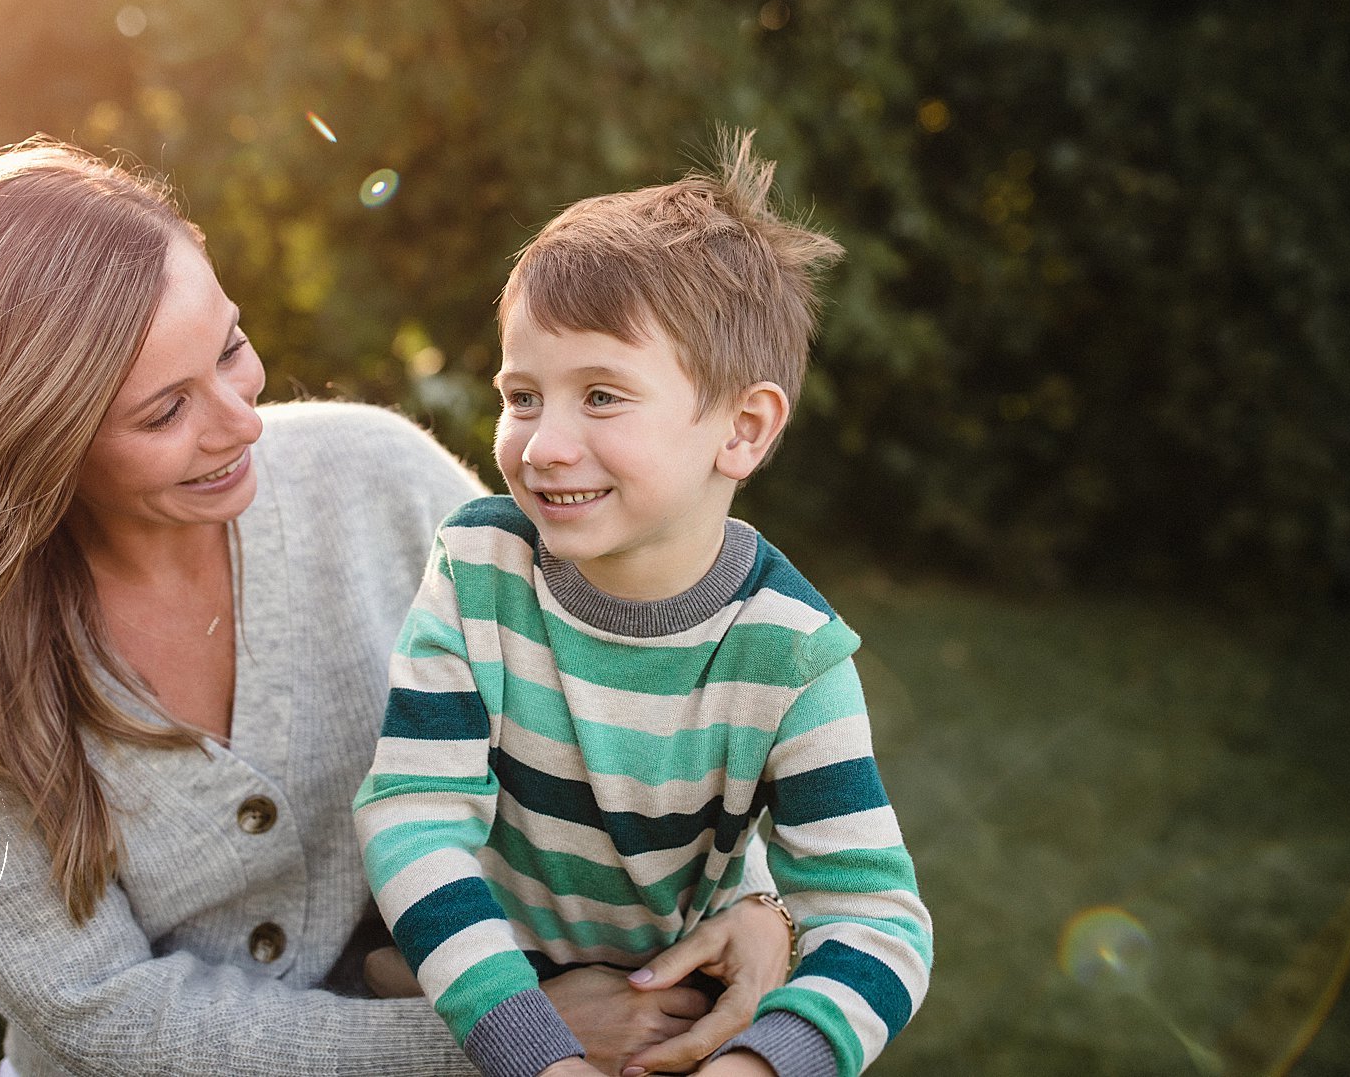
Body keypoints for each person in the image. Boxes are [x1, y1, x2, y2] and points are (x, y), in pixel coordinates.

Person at [0, 138, 790, 1077]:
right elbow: (106, 1013)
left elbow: (622, 701)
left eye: (233, 348)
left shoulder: (378, 484)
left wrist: (751, 902)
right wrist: (505, 1036)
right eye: (164, 410)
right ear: (28, 447)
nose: (241, 419)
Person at [353, 131, 933, 1077]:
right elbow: (415, 816)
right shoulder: (479, 567)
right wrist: (535, 1048)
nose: (543, 445)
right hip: (487, 995)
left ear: (742, 429)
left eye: (603, 396)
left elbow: (875, 919)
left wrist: (760, 1064)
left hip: (671, 1017)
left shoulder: (792, 656)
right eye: (524, 394)